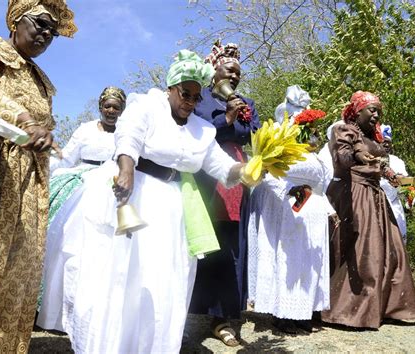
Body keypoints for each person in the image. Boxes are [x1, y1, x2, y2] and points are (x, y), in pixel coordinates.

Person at [45, 50, 244, 353]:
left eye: (196, 97)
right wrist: (126, 169)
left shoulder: (202, 130)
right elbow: (129, 137)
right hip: (135, 194)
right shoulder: (147, 107)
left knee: (164, 278)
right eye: (185, 94)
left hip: (171, 207)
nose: (190, 102)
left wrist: (253, 170)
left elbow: (221, 166)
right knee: (124, 276)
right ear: (171, 89)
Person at [0, 0, 76, 351]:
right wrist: (23, 119)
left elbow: (42, 128)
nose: (47, 33)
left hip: (28, 189)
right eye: (41, 23)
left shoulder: (42, 81)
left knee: (15, 275)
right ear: (16, 20)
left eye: (53, 31)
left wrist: (44, 137)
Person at [321, 91, 415, 329]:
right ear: (357, 111)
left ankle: (388, 307)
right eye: (371, 110)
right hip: (353, 195)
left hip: (376, 195)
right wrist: (357, 152)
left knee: (391, 251)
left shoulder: (372, 137)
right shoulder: (343, 131)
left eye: (378, 110)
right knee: (366, 251)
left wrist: (394, 177)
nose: (377, 115)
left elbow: (380, 165)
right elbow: (342, 160)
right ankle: (352, 310)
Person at [36, 86, 126, 331]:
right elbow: (66, 157)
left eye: (116, 107)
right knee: (68, 241)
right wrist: (43, 166)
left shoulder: (126, 134)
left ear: (121, 111)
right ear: (100, 107)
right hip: (81, 180)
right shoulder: (86, 129)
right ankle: (57, 308)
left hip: (111, 184)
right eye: (107, 106)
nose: (111, 111)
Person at [189, 40, 260, 347]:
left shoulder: (247, 102)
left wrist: (239, 120)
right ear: (214, 70)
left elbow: (253, 131)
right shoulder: (200, 98)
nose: (234, 76)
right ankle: (191, 312)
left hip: (237, 175)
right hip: (204, 174)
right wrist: (226, 119)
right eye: (228, 70)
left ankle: (224, 317)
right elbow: (196, 129)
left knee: (232, 246)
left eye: (238, 73)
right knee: (204, 241)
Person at [248, 86, 334, 334]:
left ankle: (302, 312)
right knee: (287, 261)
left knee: (309, 263)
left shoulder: (313, 149)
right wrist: (287, 193)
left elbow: (321, 183)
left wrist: (328, 207)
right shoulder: (279, 140)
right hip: (288, 207)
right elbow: (267, 172)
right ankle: (283, 313)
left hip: (314, 210)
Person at [379, 124, 408, 240]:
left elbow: (404, 186)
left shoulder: (397, 161)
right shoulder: (368, 160)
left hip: (395, 207)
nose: (386, 144)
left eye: (388, 142)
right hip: (375, 207)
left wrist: (402, 183)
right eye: (383, 141)